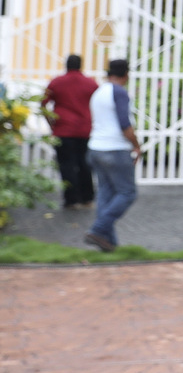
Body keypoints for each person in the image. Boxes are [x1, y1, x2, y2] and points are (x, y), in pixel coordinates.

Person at [85, 58, 141, 251]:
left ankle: (108, 243)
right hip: (114, 148)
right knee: (128, 193)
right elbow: (125, 124)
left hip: (95, 148)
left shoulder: (99, 92)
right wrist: (136, 146)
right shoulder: (119, 92)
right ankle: (98, 229)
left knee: (105, 194)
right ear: (126, 74)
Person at [43, 54, 99, 210]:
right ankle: (87, 198)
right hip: (84, 130)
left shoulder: (56, 82)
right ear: (81, 65)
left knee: (66, 165)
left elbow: (43, 104)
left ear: (66, 65)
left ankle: (72, 199)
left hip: (63, 129)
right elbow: (99, 103)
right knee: (84, 164)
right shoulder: (90, 83)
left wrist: (51, 123)